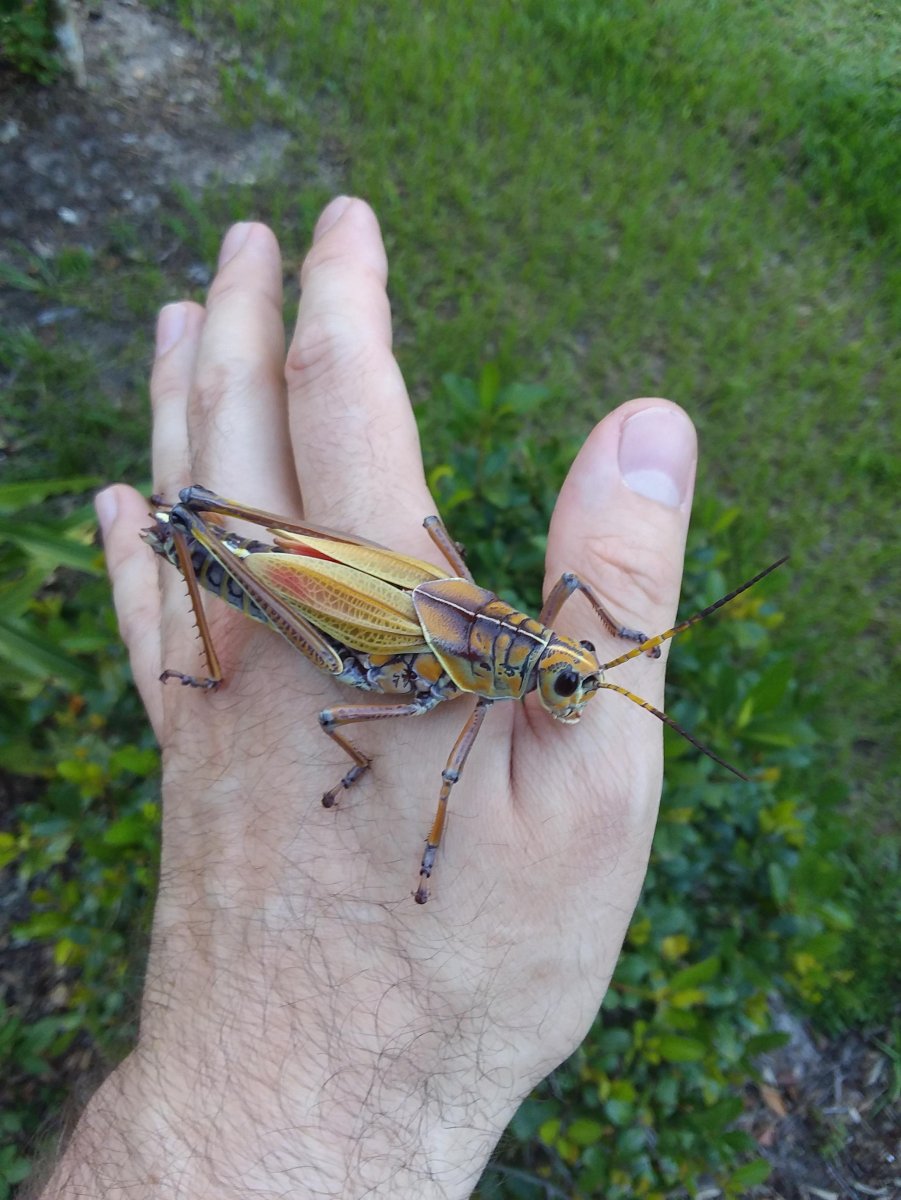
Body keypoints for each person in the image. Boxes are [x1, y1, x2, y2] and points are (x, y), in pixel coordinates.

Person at [38, 197, 698, 1198]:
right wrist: (416, 839)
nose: (569, 682)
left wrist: (610, 649)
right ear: (529, 664)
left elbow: (550, 603)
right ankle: (203, 585)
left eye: (571, 674)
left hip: (390, 588)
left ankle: (201, 534)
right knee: (347, 704)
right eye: (568, 675)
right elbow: (341, 718)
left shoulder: (529, 642)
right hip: (339, 616)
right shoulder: (477, 695)